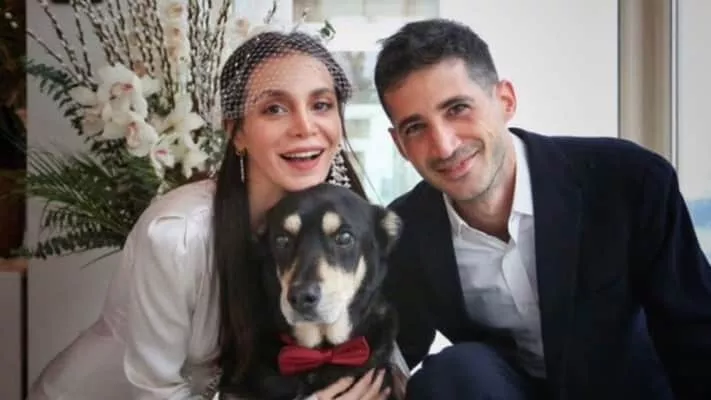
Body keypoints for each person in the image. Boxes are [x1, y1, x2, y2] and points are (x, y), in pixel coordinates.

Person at [27, 30, 397, 400]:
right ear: (236, 132)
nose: (304, 126)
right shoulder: (178, 236)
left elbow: (372, 324)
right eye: (274, 109)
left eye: (321, 105)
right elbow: (153, 391)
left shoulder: (344, 220)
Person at [374, 18, 711, 400]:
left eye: (457, 109)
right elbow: (391, 353)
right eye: (416, 128)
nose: (444, 146)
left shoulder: (630, 180)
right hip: (505, 391)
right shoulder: (404, 230)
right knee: (451, 372)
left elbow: (694, 333)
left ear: (506, 101)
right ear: (399, 145)